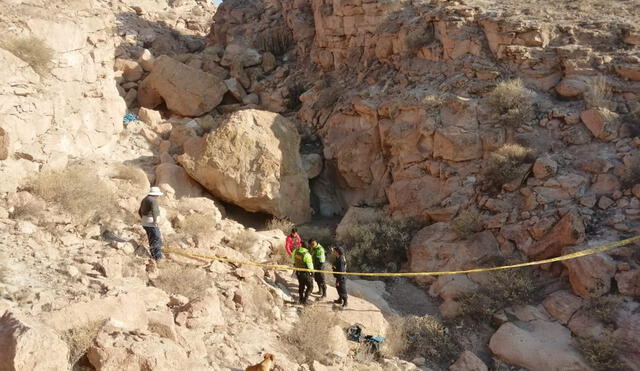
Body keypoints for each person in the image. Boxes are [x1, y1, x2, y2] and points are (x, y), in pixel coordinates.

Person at [138, 186, 164, 260]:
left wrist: (143, 219)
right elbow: (155, 211)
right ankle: (157, 257)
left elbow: (139, 211)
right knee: (156, 238)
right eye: (158, 194)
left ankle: (154, 255)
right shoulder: (153, 200)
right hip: (151, 223)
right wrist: (155, 221)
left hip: (145, 222)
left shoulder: (145, 199)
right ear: (156, 194)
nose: (159, 196)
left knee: (152, 238)